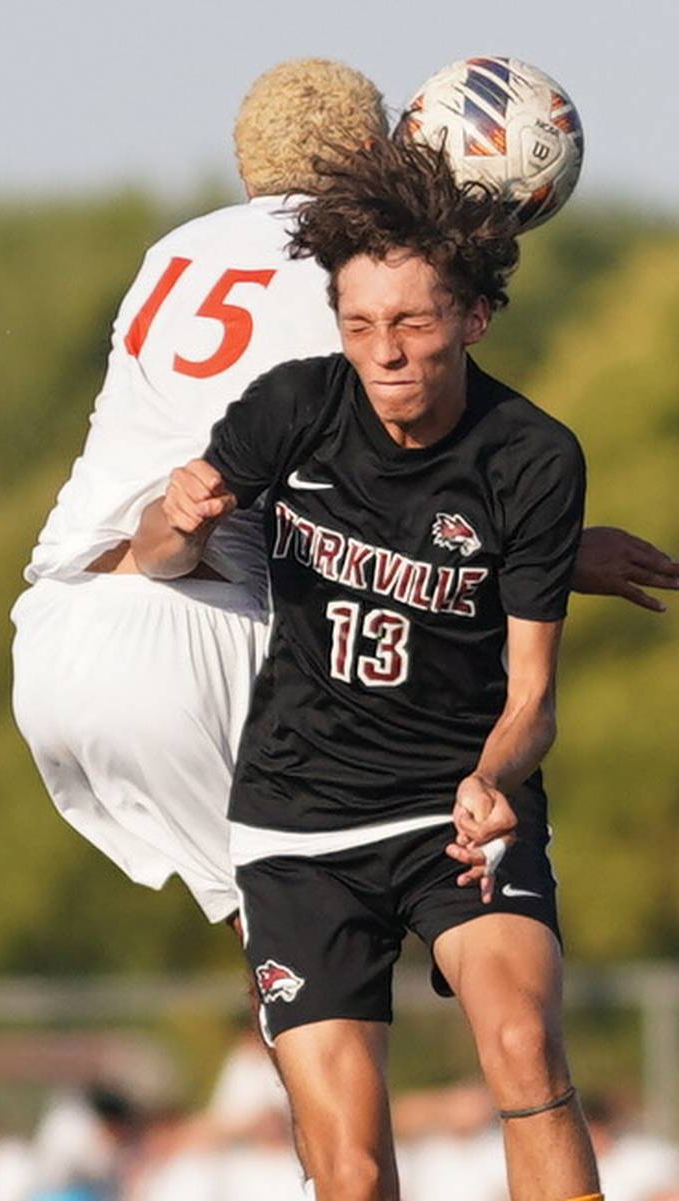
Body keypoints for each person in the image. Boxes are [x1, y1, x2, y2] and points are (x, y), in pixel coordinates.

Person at [12, 57, 679, 936]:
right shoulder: (346, 272)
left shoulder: (173, 252)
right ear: (373, 151)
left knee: (283, 939)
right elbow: (407, 484)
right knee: (342, 920)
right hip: (202, 623)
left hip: (62, 630)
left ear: (247, 167)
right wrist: (554, 550)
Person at [132, 136, 605, 1201]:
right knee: (347, 1169)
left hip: (452, 810)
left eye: (411, 322)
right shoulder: (292, 406)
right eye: (358, 326)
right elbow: (161, 560)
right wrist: (175, 520)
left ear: (472, 318)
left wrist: (492, 779)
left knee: (523, 1045)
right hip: (296, 826)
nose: (383, 351)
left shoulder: (530, 457)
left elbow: (530, 695)